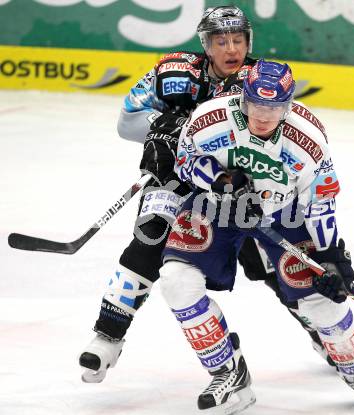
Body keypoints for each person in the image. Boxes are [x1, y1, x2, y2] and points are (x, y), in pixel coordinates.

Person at [79, 6, 331, 383]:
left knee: (272, 263)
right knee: (148, 238)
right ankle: (108, 335)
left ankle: (320, 330)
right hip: (181, 178)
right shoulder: (174, 71)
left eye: (238, 40)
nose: (231, 48)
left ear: (249, 42)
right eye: (220, 40)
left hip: (241, 189)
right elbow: (127, 122)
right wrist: (159, 131)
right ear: (206, 45)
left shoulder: (260, 82)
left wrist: (177, 129)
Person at [159, 60, 354, 413]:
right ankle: (228, 372)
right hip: (219, 205)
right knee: (176, 280)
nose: (262, 116)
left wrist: (330, 256)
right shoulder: (210, 118)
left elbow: (320, 202)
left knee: (323, 299)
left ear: (287, 106)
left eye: (273, 108)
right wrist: (222, 181)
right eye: (256, 105)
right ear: (243, 98)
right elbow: (185, 161)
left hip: (284, 213)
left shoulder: (309, 140)